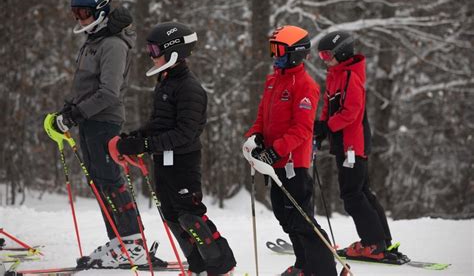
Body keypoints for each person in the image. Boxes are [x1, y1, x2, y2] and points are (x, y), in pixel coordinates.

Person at [109, 21, 236, 276]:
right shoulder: (166, 81)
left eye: (156, 50)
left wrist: (144, 145)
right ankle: (198, 266)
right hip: (164, 161)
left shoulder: (190, 88)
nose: (151, 56)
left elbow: (184, 133)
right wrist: (133, 138)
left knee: (190, 215)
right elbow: (159, 124)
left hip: (183, 162)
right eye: (150, 50)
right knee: (171, 215)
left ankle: (222, 267)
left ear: (174, 51)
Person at [48, 0, 147, 268]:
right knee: (98, 182)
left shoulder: (113, 44)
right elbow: (84, 85)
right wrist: (66, 111)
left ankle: (133, 242)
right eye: (75, 13)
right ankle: (118, 240)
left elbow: (109, 92)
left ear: (101, 11)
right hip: (89, 120)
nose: (80, 19)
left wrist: (76, 114)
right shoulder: (93, 40)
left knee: (110, 180)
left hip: (104, 120)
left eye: (85, 13)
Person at [245, 25, 337, 276]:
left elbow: (302, 129)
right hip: (273, 163)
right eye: (273, 50)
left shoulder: (305, 85)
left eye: (281, 51)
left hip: (292, 163)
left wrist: (275, 151)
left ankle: (323, 269)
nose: (276, 56)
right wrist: (255, 136)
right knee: (285, 217)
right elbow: (263, 115)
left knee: (301, 219)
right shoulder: (273, 79)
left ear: (296, 52)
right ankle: (303, 265)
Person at [314, 30, 395, 260]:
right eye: (321, 56)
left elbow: (350, 113)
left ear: (342, 52)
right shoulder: (337, 75)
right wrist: (321, 127)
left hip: (352, 146)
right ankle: (381, 240)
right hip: (345, 144)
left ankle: (372, 244)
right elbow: (329, 107)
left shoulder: (351, 76)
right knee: (361, 192)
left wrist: (327, 126)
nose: (325, 60)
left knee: (352, 195)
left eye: (327, 54)